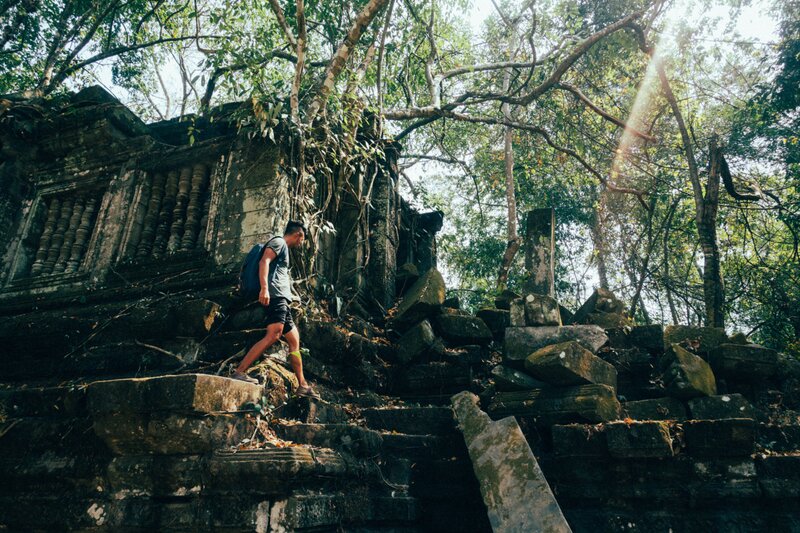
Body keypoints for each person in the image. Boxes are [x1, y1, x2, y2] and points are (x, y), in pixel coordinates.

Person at [232, 221, 317, 398]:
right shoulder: (279, 242)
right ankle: (240, 371)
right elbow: (265, 262)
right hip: (276, 296)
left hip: (282, 299)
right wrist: (264, 288)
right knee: (273, 334)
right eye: (302, 240)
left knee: (294, 339)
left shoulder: (283, 247)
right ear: (298, 235)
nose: (300, 244)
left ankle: (302, 385)